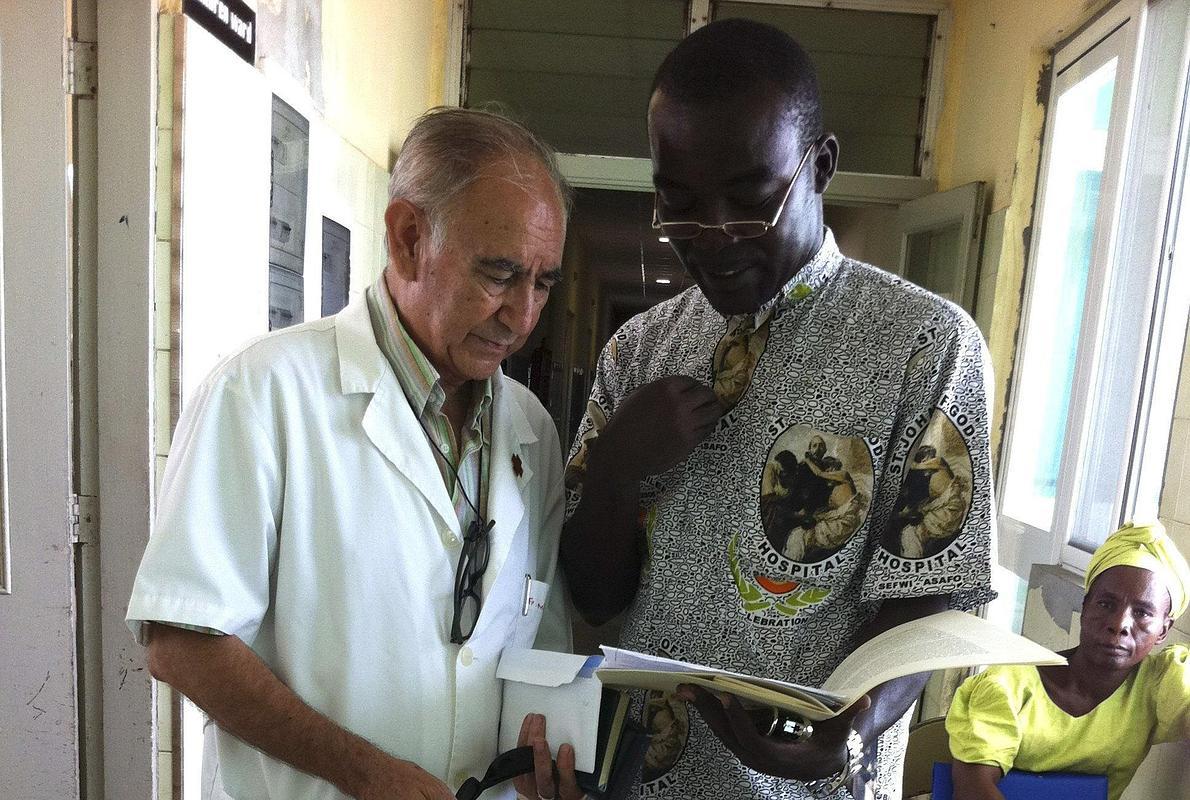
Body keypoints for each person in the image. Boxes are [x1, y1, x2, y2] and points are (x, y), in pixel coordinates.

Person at [560, 19, 995, 800]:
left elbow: (934, 593)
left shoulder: (925, 348)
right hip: (641, 782)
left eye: (751, 198)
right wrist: (618, 467)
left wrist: (855, 729)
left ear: (820, 165)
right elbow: (594, 596)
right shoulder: (639, 351)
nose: (715, 236)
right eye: (681, 203)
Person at [126, 107, 583, 800]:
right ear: (407, 239)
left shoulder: (530, 430)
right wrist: (363, 773)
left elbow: (537, 644)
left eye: (543, 283)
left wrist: (547, 757)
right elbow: (182, 641)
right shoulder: (264, 393)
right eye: (498, 273)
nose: (521, 316)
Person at [946, 521, 1190, 800]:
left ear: (1164, 630)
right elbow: (972, 789)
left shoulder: (1158, 684)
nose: (1119, 624)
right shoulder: (1009, 686)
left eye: (1143, 612)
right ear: (1085, 607)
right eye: (1106, 604)